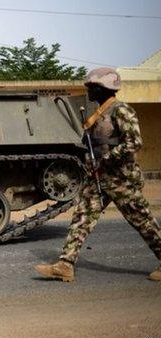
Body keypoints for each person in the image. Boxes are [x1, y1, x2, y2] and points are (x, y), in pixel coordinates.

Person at [34, 67, 161, 282]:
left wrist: (108, 158)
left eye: (92, 87)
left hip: (122, 179)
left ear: (104, 88)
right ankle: (65, 264)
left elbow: (134, 143)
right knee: (82, 218)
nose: (89, 91)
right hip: (99, 178)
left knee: (143, 221)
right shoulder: (97, 114)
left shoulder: (121, 111)